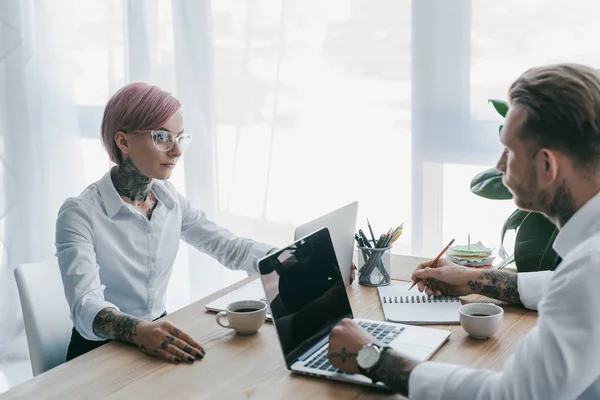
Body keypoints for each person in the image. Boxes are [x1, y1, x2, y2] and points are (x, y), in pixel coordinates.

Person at [327, 63, 600, 399]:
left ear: (547, 165)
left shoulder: (590, 267)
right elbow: (564, 287)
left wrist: (373, 358)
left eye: (509, 150)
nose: (500, 166)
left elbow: (507, 396)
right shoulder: (589, 261)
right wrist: (470, 278)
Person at [56, 83, 276, 364]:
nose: (176, 152)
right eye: (162, 137)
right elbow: (85, 306)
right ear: (123, 142)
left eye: (179, 139)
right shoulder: (79, 213)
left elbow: (227, 246)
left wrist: (292, 259)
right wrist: (138, 331)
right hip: (98, 355)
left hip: (156, 338)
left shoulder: (168, 199)